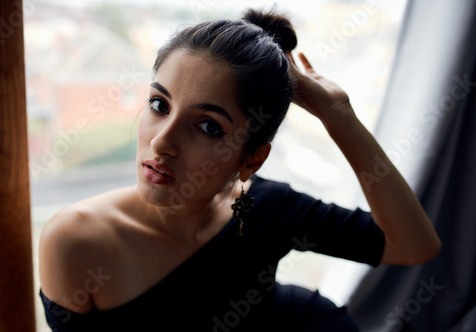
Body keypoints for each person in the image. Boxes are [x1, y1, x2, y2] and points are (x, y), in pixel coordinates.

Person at [38, 7, 441, 332]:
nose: (162, 142)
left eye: (209, 126)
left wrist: (338, 115)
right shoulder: (75, 242)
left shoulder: (266, 206)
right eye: (160, 104)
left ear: (252, 159)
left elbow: (413, 245)